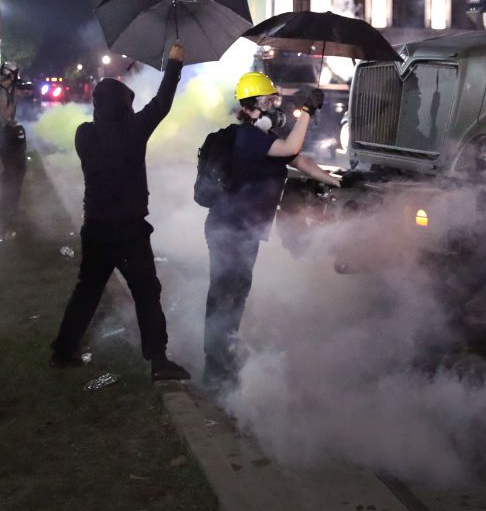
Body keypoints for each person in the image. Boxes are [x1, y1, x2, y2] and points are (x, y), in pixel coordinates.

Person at [50, 42, 190, 381]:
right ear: (125, 107)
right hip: (129, 231)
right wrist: (174, 63)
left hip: (95, 227)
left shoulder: (85, 134)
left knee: (87, 289)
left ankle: (63, 350)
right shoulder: (133, 131)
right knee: (146, 292)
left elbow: (127, 112)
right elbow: (162, 103)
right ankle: (158, 360)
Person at [202, 72, 339, 388]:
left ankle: (223, 362)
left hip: (242, 231)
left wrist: (336, 181)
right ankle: (215, 372)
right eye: (270, 101)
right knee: (225, 299)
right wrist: (306, 112)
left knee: (233, 297)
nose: (275, 106)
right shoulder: (248, 138)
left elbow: (298, 160)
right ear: (254, 106)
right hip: (230, 231)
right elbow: (292, 147)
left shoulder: (260, 138)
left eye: (276, 100)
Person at [0, 62, 27, 235]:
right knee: (13, 171)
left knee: (15, 170)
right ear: (10, 75)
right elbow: (4, 115)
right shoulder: (1, 92)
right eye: (14, 75)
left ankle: (10, 207)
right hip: (4, 137)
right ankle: (6, 209)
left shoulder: (2, 91)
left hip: (4, 136)